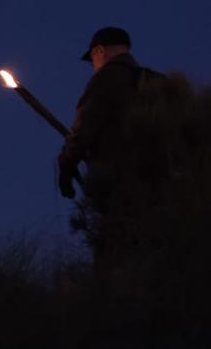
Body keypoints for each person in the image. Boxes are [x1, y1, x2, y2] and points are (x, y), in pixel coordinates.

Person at [58, 27, 156, 211]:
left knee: (119, 235)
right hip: (159, 187)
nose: (93, 66)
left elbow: (83, 128)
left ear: (99, 51)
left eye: (92, 61)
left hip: (119, 185)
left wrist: (66, 164)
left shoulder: (106, 78)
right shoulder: (154, 80)